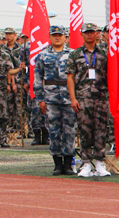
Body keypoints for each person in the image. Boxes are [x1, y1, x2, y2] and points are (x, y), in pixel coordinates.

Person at [66, 23, 110, 177]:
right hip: (83, 97)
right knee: (85, 131)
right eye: (87, 32)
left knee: (101, 130)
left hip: (101, 96)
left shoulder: (105, 53)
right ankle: (85, 163)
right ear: (82, 34)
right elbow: (70, 77)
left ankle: (99, 162)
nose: (90, 35)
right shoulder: (75, 54)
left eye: (92, 32)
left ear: (97, 33)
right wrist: (73, 98)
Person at [34, 25, 76, 175]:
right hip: (50, 98)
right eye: (54, 35)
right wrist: (40, 99)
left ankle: (68, 164)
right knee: (53, 131)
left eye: (60, 35)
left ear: (66, 37)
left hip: (68, 97)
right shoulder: (42, 55)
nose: (57, 37)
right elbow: (38, 78)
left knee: (70, 130)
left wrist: (76, 97)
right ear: (50, 37)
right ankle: (57, 164)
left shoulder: (73, 54)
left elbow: (77, 77)